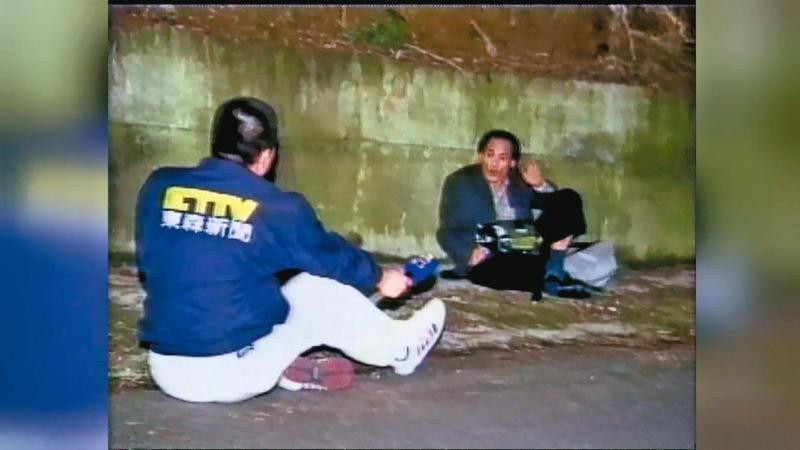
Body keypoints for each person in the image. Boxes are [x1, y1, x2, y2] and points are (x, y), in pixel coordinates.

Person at [135, 97, 446, 403]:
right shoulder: (278, 208)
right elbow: (331, 257)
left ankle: (278, 363)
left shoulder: (159, 186)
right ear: (267, 156)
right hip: (228, 372)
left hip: (167, 369)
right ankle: (401, 349)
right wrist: (381, 277)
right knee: (319, 290)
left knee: (242, 283)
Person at [436, 129, 589, 300]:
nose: (494, 164)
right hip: (490, 256)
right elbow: (446, 231)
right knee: (505, 268)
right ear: (481, 156)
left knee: (568, 198)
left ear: (512, 163)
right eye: (490, 155)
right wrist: (467, 254)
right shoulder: (460, 182)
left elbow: (554, 204)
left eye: (502, 158)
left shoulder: (518, 180)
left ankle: (554, 270)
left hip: (528, 245)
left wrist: (540, 184)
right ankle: (549, 278)